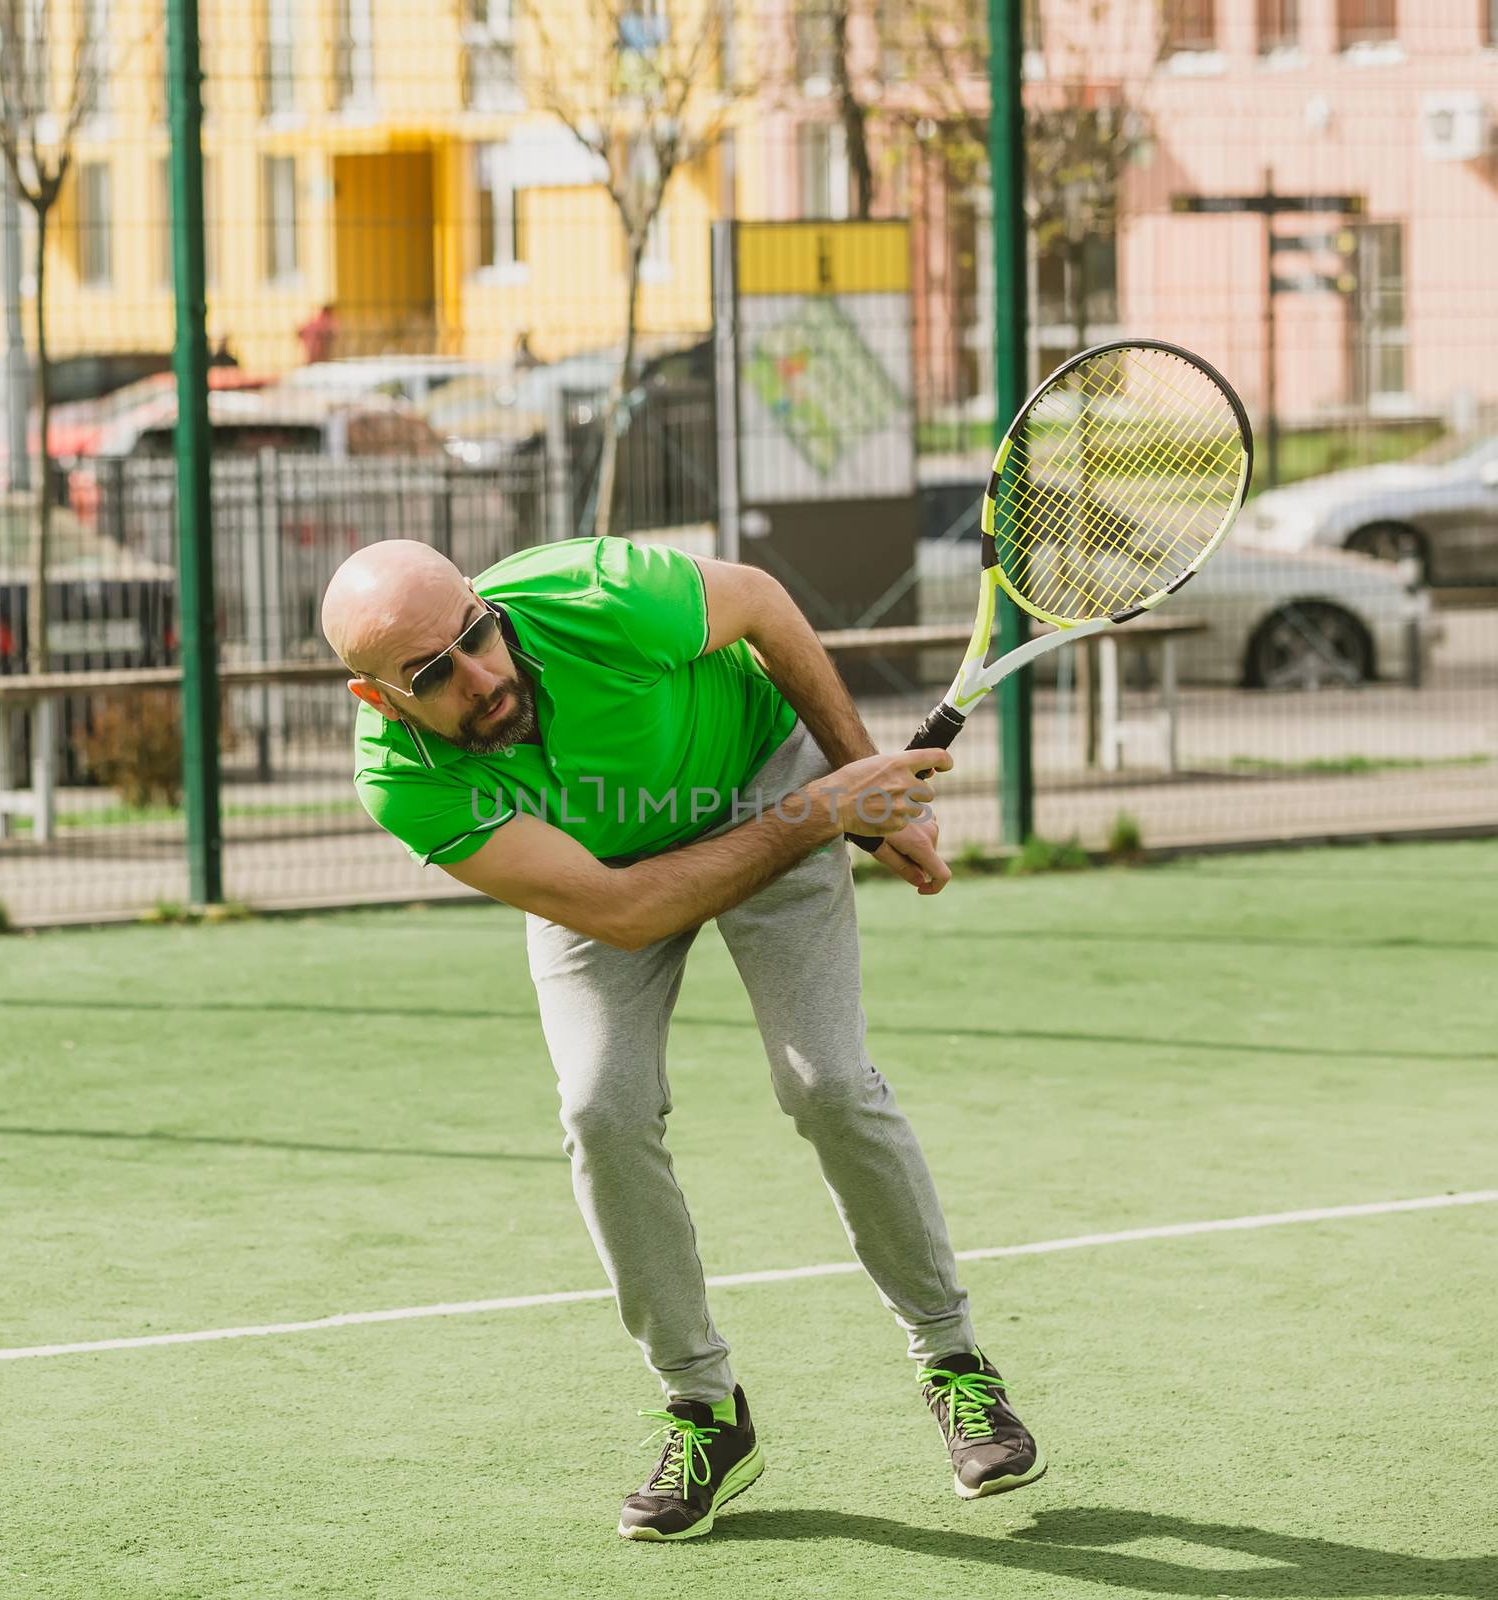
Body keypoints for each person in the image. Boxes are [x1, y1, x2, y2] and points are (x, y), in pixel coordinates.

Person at [320, 535, 1045, 1542]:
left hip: (759, 774)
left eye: (476, 636)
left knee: (825, 1081)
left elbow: (762, 604)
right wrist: (825, 813)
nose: (479, 677)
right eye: (433, 676)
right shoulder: (402, 779)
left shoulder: (594, 595)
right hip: (626, 867)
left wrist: (857, 782)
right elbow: (619, 913)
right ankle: (706, 1411)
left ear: (485, 603)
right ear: (379, 700)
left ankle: (956, 1364)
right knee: (599, 1108)